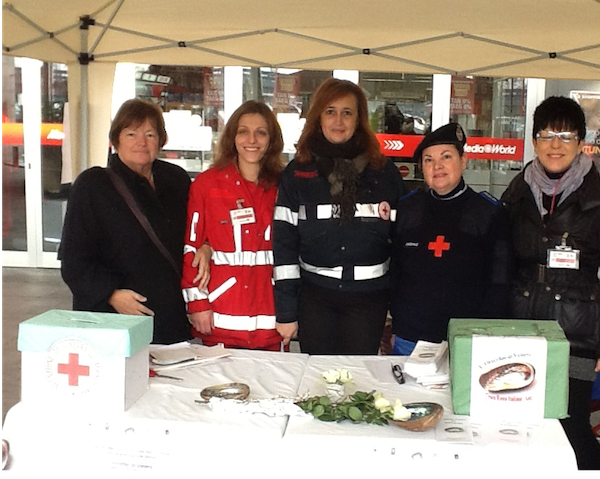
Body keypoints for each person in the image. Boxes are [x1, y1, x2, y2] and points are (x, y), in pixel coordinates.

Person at [501, 96, 600, 471]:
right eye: (546, 134)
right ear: (533, 140)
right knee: (523, 422)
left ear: (580, 141)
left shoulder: (596, 195)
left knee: (571, 425)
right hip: (523, 325)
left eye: (565, 135)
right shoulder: (517, 192)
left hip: (578, 331)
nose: (555, 145)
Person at [273, 78, 407, 355]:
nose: (338, 120)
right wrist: (286, 311)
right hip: (315, 298)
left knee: (358, 383)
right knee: (317, 381)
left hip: (370, 300)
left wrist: (399, 306)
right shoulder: (298, 173)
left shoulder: (384, 172)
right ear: (318, 117)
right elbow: (284, 245)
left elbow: (403, 241)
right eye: (330, 111)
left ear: (359, 119)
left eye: (347, 112)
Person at [60, 99, 192, 344]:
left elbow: (196, 231)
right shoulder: (93, 185)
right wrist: (110, 295)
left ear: (161, 140)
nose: (141, 142)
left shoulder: (177, 180)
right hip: (116, 319)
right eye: (131, 133)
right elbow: (74, 259)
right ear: (115, 139)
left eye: (150, 134)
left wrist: (204, 246)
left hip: (171, 318)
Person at [390, 123, 512, 355]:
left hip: (467, 339)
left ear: (463, 161)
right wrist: (396, 323)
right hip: (410, 336)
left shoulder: (489, 213)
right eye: (428, 160)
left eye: (446, 157)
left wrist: (486, 334)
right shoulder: (407, 208)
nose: (438, 166)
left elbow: (499, 283)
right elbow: (396, 271)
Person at [181, 100, 286, 351]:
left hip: (271, 318)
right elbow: (191, 247)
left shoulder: (285, 187)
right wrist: (197, 304)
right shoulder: (207, 185)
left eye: (261, 132)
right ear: (232, 137)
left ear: (271, 140)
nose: (252, 139)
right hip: (221, 316)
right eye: (243, 131)